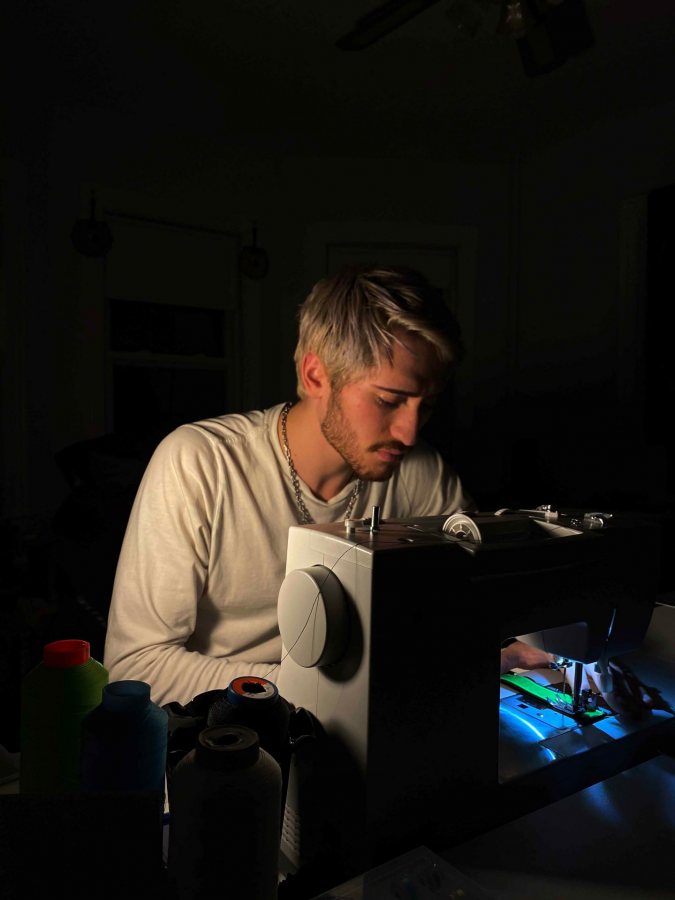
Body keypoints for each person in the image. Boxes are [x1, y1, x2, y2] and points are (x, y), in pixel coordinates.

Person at [104, 264, 553, 706]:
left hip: (374, 719)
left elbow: (473, 604)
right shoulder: (200, 463)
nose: (409, 433)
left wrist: (516, 646)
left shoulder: (422, 473)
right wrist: (336, 693)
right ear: (315, 375)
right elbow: (138, 667)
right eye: (388, 400)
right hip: (229, 736)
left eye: (427, 405)